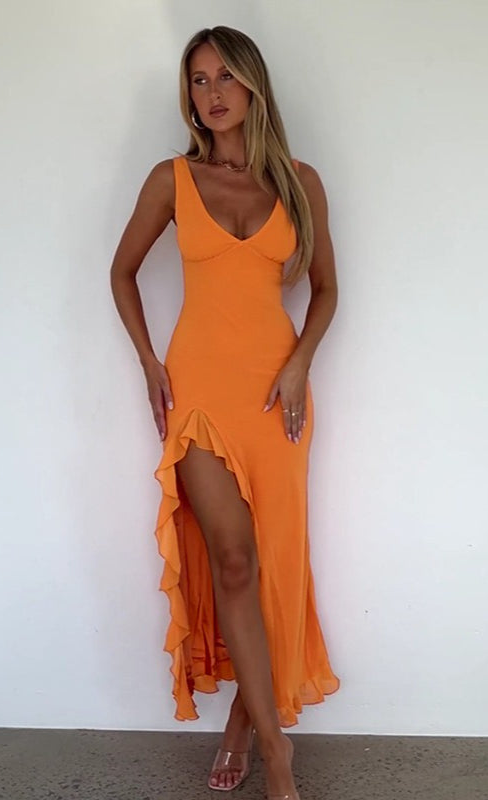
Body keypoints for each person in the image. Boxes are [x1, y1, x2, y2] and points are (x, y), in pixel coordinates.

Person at [110, 24, 340, 800]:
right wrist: (149, 363)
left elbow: (327, 290)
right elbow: (122, 272)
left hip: (276, 398)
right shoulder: (171, 178)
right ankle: (277, 752)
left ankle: (243, 724)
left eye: (224, 78)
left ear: (253, 86)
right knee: (234, 561)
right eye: (199, 80)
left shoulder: (300, 182)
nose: (211, 94)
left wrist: (300, 363)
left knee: (272, 567)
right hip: (200, 393)